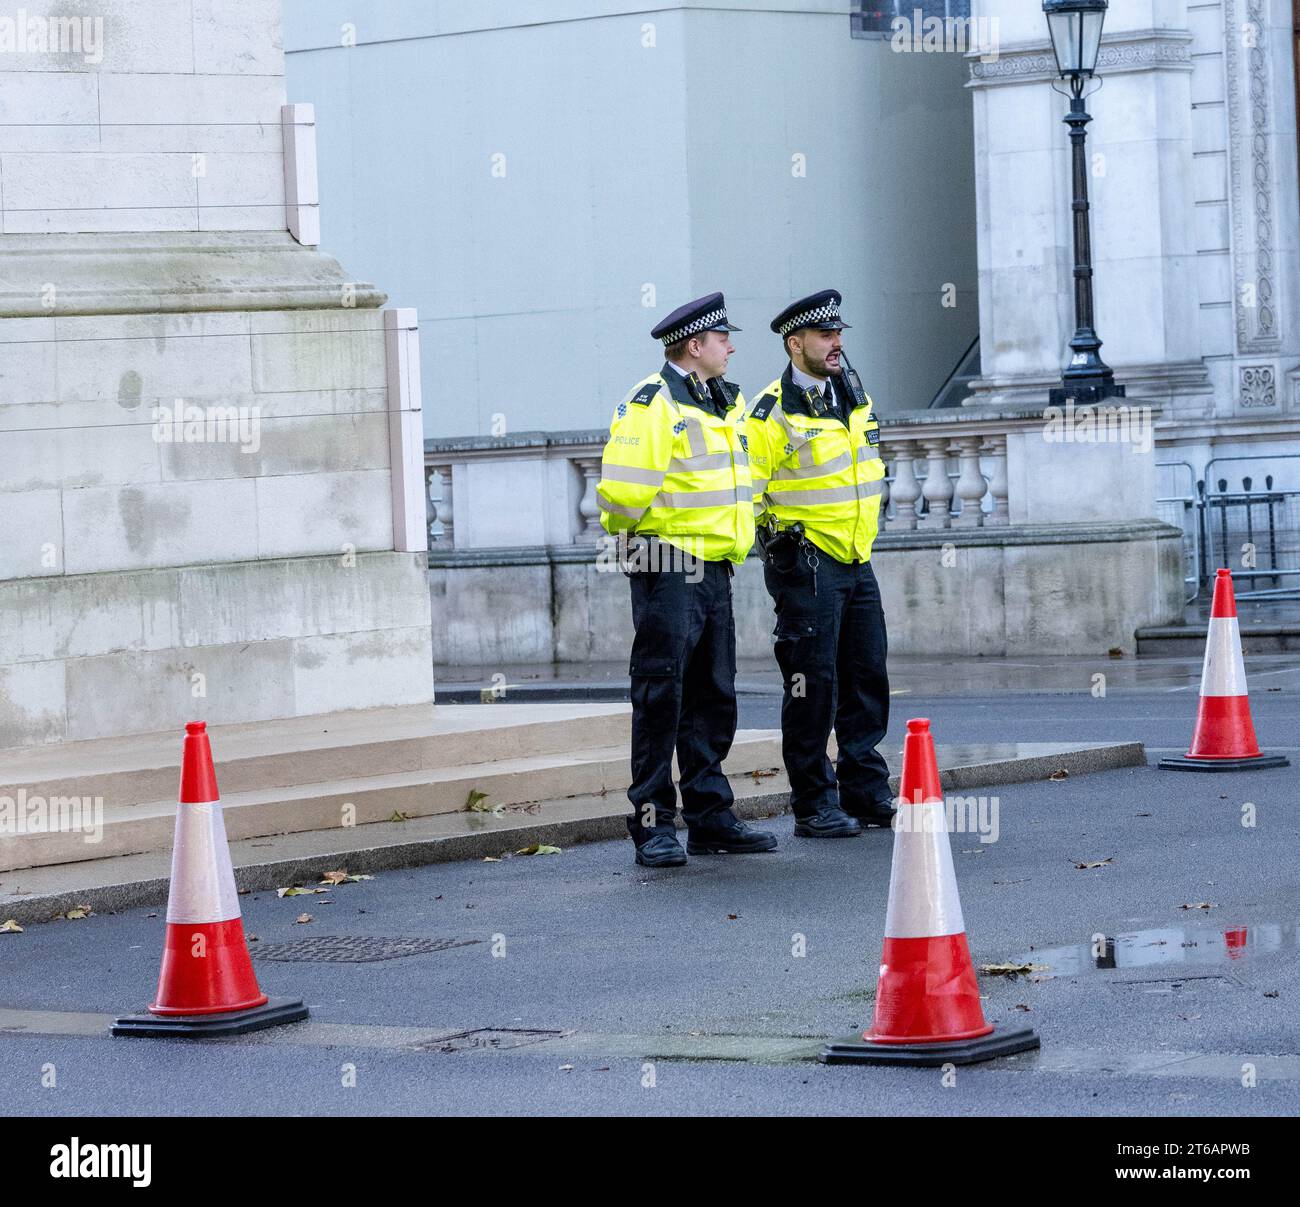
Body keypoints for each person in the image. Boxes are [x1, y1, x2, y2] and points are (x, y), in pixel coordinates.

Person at [597, 292, 777, 868]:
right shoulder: (653, 403)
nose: (731, 346)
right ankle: (652, 825)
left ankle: (709, 816)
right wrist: (644, 548)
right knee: (660, 695)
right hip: (668, 563)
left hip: (715, 566)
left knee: (712, 694)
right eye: (723, 338)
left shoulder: (727, 402)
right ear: (694, 346)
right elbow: (622, 493)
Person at [745, 289, 894, 838]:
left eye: (839, 334)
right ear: (795, 343)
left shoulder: (852, 396)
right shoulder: (771, 410)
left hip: (856, 558)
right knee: (813, 685)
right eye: (826, 335)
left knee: (867, 677)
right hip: (807, 565)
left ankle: (865, 789)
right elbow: (747, 488)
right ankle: (813, 803)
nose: (837, 343)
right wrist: (778, 542)